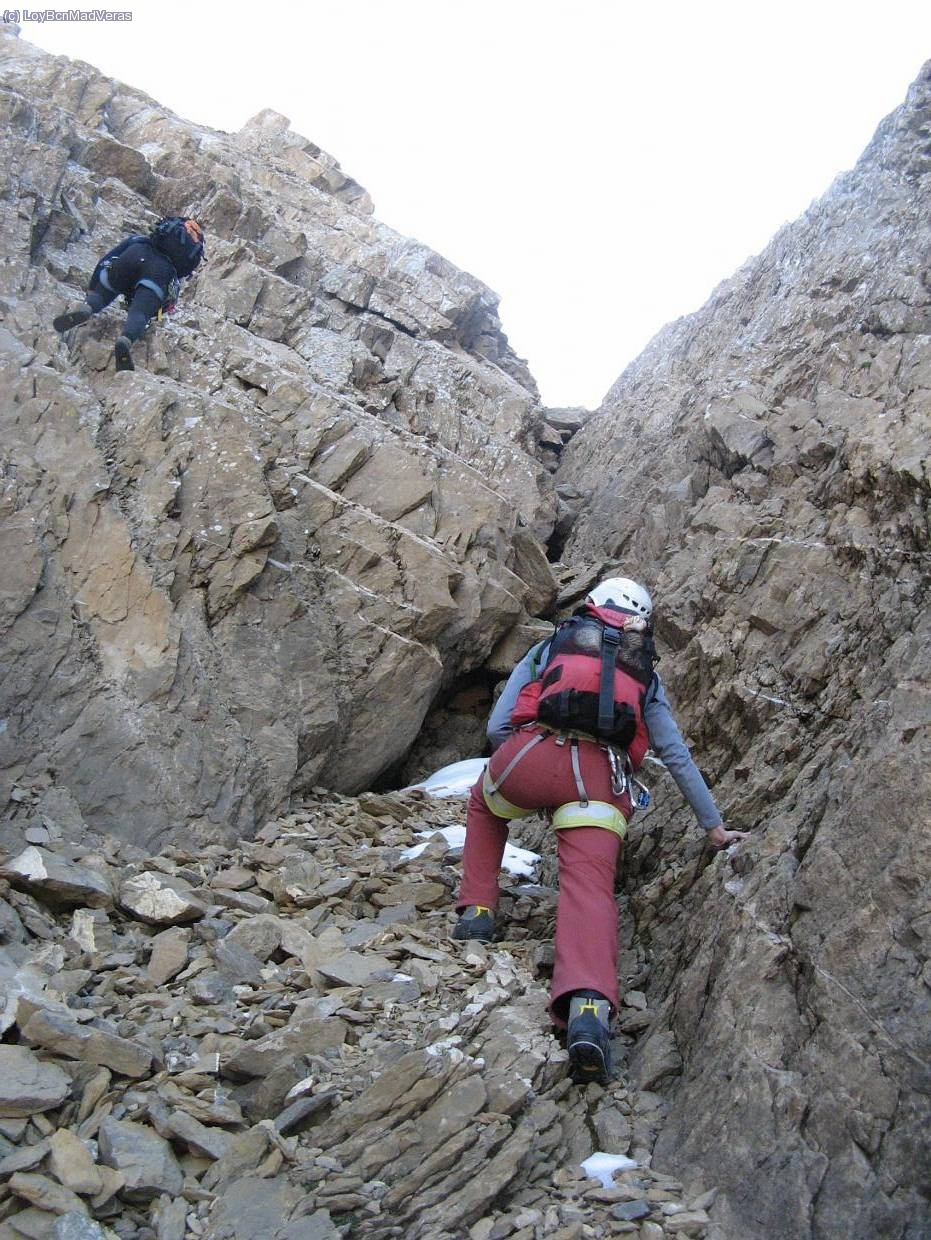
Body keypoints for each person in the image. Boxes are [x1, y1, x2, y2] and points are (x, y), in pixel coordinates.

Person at [452, 575, 747, 1085]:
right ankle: (588, 1010)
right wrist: (713, 825)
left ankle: (478, 910)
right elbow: (675, 754)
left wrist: (525, 767)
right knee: (588, 886)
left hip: (529, 755)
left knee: (485, 805)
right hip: (598, 781)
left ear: (593, 606)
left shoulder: (555, 644)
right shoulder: (645, 672)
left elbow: (500, 723)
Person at [52, 217, 205, 372]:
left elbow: (104, 261)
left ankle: (87, 308)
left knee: (106, 290)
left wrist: (93, 289)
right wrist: (150, 309)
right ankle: (125, 340)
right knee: (140, 312)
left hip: (134, 254)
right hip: (159, 274)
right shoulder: (172, 271)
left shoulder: (139, 241)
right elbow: (169, 299)